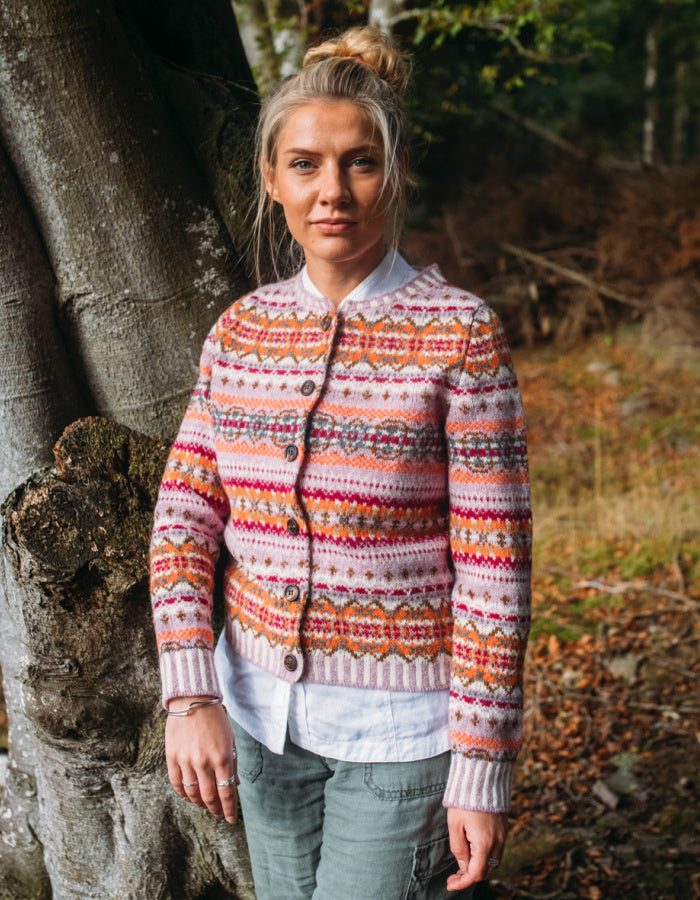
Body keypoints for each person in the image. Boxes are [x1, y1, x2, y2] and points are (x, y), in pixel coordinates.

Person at [150, 25, 531, 900]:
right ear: (271, 178)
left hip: (403, 733)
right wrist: (191, 692)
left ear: (392, 173)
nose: (333, 192)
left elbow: (494, 569)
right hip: (257, 726)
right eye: (306, 164)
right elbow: (183, 521)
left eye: (359, 162)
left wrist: (482, 764)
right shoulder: (240, 332)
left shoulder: (460, 335)